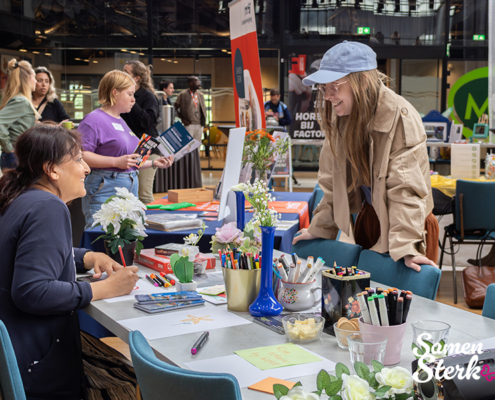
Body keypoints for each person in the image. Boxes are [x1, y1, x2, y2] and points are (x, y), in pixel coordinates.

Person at [0, 124, 140, 400]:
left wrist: (85, 256)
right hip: (40, 361)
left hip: (21, 349)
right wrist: (104, 289)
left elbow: (29, 250)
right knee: (131, 382)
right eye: (77, 160)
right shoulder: (48, 207)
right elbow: (32, 291)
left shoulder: (22, 198)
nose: (86, 168)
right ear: (52, 170)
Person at [292, 41, 439, 272]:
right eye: (323, 88)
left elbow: (406, 189)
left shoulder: (400, 117)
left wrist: (407, 245)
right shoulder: (341, 115)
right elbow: (331, 181)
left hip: (409, 223)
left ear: (362, 82)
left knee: (399, 303)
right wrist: (320, 227)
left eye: (335, 86)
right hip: (370, 217)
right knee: (363, 300)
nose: (328, 96)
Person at [78, 70, 174, 229]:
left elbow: (127, 161)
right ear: (114, 93)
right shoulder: (93, 119)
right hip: (105, 187)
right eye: (129, 94)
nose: (133, 100)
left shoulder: (120, 121)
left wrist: (154, 163)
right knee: (103, 238)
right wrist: (115, 161)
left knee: (126, 242)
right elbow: (81, 156)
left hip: (129, 188)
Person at [121, 60, 161, 204]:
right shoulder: (122, 95)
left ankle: (150, 224)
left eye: (126, 72)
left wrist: (132, 101)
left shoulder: (148, 96)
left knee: (143, 193)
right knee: (131, 193)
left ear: (136, 78)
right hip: (129, 147)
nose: (122, 74)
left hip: (147, 147)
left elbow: (148, 121)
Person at [0, 59, 38, 171]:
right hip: (16, 157)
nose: (36, 81)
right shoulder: (21, 101)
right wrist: (10, 149)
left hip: (16, 156)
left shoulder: (20, 100)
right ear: (27, 79)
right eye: (34, 77)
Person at [174, 75, 206, 144]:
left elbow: (203, 109)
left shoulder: (200, 95)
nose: (199, 83)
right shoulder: (183, 94)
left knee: (197, 146)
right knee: (187, 146)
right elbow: (174, 109)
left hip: (199, 125)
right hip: (189, 125)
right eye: (197, 81)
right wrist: (183, 118)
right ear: (190, 83)